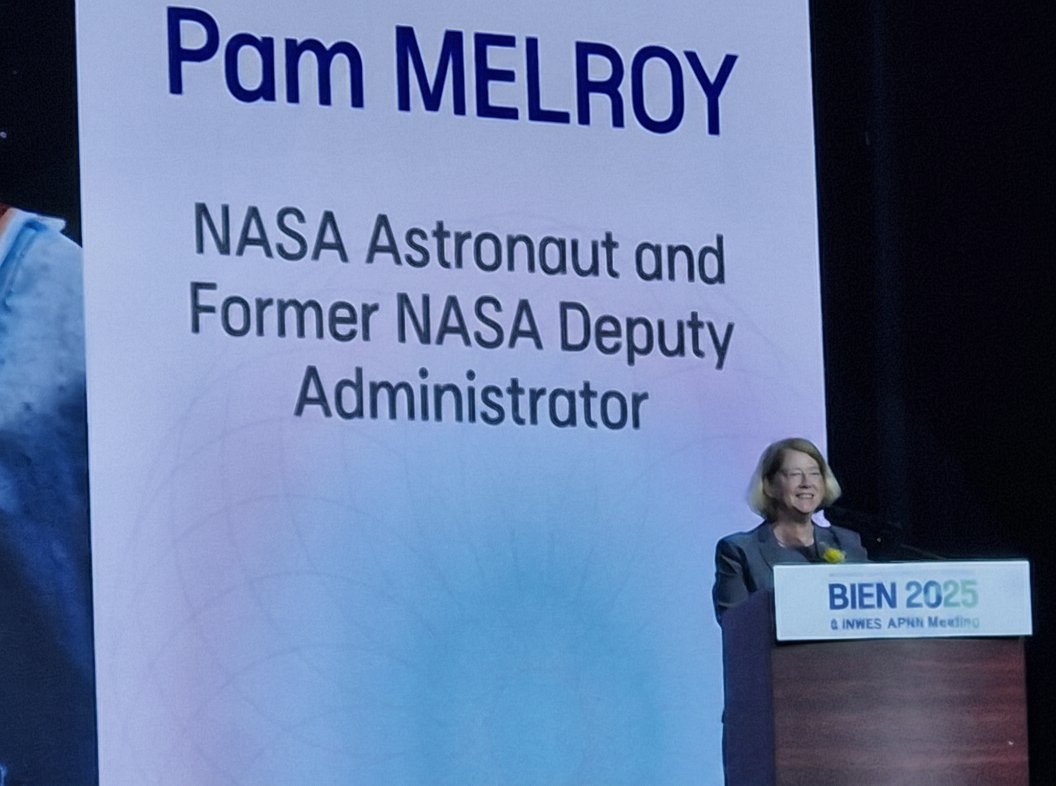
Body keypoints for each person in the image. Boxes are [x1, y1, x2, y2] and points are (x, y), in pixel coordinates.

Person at [712, 437, 868, 621]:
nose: (806, 483)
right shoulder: (740, 551)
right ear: (769, 486)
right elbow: (734, 623)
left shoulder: (846, 542)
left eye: (814, 474)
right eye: (794, 474)